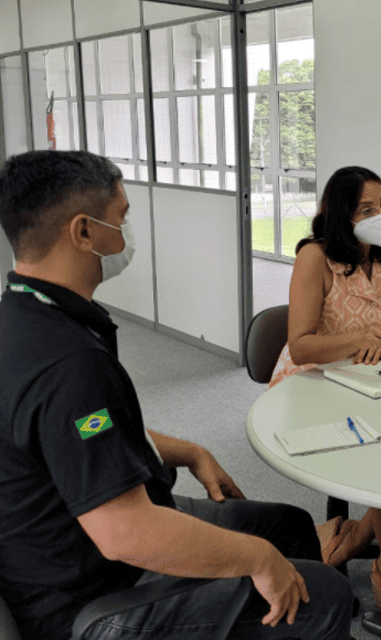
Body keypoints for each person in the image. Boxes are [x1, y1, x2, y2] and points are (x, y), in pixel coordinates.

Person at [0, 150, 353, 639]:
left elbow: (89, 431)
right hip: (90, 597)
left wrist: (190, 451)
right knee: (323, 592)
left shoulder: (26, 313)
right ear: (84, 232)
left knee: (288, 527)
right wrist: (258, 561)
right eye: (120, 218)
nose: (126, 235)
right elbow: (124, 533)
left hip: (92, 530)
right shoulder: (68, 364)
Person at [269, 166, 381, 629]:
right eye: (367, 209)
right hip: (311, 383)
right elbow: (300, 345)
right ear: (340, 214)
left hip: (368, 380)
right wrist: (360, 335)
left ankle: (358, 533)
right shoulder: (314, 258)